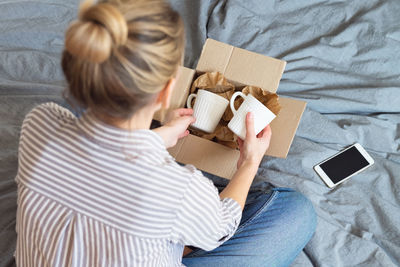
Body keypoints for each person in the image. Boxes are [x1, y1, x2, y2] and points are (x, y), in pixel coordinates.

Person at [14, 0, 316, 266]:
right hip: (174, 211)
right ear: (168, 91)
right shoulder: (179, 189)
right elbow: (222, 228)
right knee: (297, 212)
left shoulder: (39, 124)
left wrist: (159, 137)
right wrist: (249, 163)